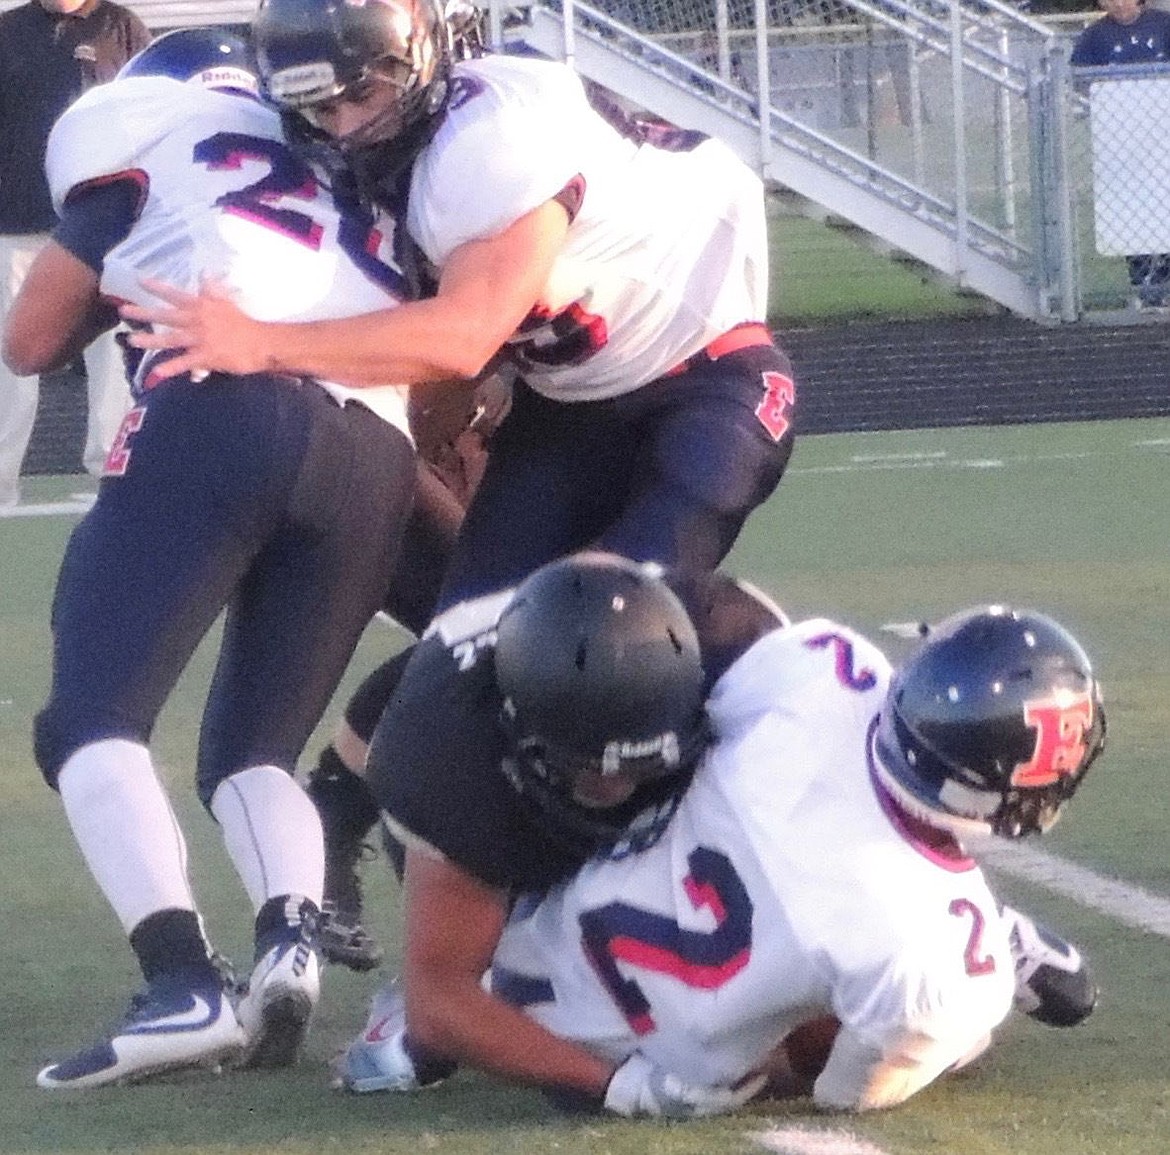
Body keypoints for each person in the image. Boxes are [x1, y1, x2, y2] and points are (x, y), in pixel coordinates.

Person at [2, 29, 420, 1090]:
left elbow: (31, 335)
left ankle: (180, 983)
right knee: (255, 753)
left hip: (219, 408)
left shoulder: (157, 135)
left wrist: (114, 278)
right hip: (375, 455)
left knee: (90, 718)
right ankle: (288, 941)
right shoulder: (339, 155)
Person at [332, 552, 1102, 1115]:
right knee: (853, 1035)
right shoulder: (450, 767)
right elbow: (848, 1090)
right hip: (618, 960)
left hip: (611, 938)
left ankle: (984, 944)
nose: (617, 789)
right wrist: (618, 1083)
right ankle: (988, 950)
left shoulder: (771, 654)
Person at [119, 0, 798, 620]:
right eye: (321, 107)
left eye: (362, 91)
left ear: (417, 55)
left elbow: (465, 334)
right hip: (566, 406)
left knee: (614, 624)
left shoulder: (491, 133)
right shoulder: (387, 164)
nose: (348, 126)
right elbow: (448, 358)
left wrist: (261, 342)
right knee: (459, 647)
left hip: (707, 377)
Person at [0, 0, 149, 510]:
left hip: (99, 223)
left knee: (109, 353)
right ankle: (1, 482)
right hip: (14, 225)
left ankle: (111, 473)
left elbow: (150, 116)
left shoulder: (123, 27)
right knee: (8, 356)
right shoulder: (7, 30)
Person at [1071, 0, 1170, 307]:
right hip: (1121, 143)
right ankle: (1145, 287)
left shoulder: (1163, 23)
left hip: (1163, 132)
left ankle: (1164, 281)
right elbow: (1078, 78)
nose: (1117, 3)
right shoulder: (1095, 35)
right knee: (1130, 211)